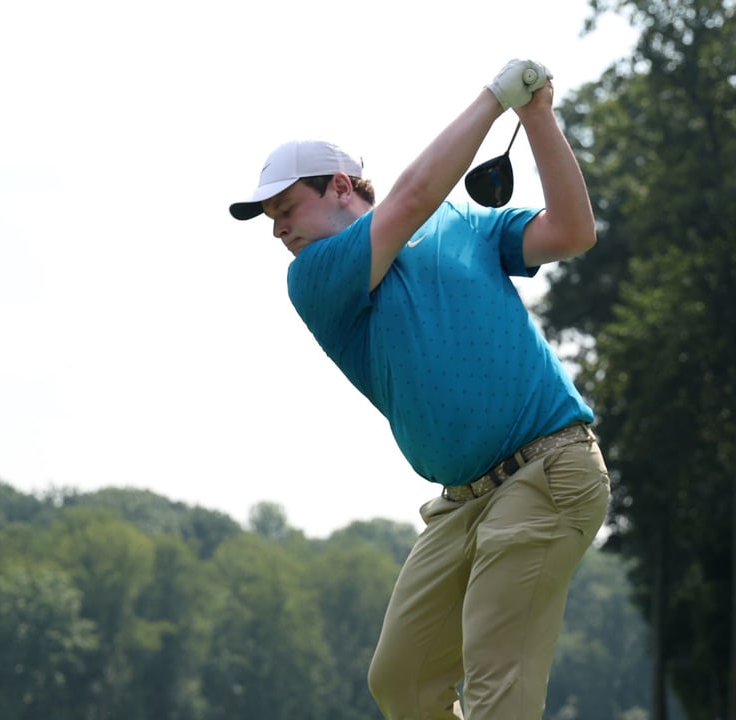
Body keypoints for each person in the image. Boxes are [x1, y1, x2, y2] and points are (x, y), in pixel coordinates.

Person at [228, 59, 611, 720]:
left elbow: (573, 231)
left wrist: (537, 118)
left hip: (550, 472)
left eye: (286, 208)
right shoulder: (317, 277)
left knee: (498, 679)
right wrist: (493, 99)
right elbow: (408, 201)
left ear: (341, 185)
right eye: (268, 217)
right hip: (462, 503)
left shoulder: (467, 224)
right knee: (402, 681)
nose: (277, 228)